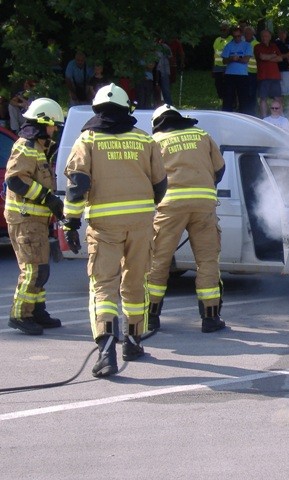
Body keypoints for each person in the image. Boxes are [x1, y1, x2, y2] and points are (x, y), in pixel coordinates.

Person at [63, 83, 167, 378]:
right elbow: (161, 185)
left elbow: (77, 185)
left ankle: (107, 352)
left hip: (104, 226)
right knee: (135, 283)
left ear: (97, 110)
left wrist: (69, 222)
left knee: (103, 287)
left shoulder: (88, 139)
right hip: (141, 224)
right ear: (126, 110)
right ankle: (133, 343)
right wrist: (146, 209)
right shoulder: (144, 140)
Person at [147, 105, 226, 333]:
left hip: (170, 206)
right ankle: (210, 318)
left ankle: (151, 317)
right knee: (207, 261)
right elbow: (219, 170)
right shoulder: (202, 136)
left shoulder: (156, 141)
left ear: (157, 123)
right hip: (203, 205)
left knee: (158, 261)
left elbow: (151, 176)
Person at [4, 98, 66, 335]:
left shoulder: (39, 148)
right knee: (33, 270)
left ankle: (37, 310)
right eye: (52, 126)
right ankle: (20, 314)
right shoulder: (26, 147)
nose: (55, 130)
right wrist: (47, 198)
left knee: (41, 268)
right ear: (42, 122)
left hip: (36, 221)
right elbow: (16, 180)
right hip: (25, 220)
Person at [221, 26, 253, 114]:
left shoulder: (247, 45)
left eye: (238, 36)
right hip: (230, 74)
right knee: (228, 98)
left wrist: (237, 59)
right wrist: (231, 59)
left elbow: (246, 60)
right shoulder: (229, 45)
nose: (237, 38)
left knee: (243, 98)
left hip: (242, 75)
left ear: (241, 35)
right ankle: (227, 115)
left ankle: (244, 116)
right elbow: (224, 61)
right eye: (235, 36)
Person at [254, 29, 283, 118]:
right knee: (263, 98)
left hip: (275, 76)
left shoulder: (274, 46)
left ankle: (280, 117)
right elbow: (262, 57)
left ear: (270, 37)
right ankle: (264, 118)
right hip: (263, 76)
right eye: (262, 36)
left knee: (278, 98)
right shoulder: (257, 46)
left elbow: (280, 59)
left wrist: (268, 57)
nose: (264, 38)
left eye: (266, 36)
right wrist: (273, 56)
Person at [212, 23, 232, 101]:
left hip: (228, 66)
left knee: (227, 85)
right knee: (218, 84)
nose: (223, 32)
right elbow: (214, 54)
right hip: (217, 67)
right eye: (221, 30)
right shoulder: (217, 40)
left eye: (224, 30)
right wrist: (213, 68)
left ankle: (229, 101)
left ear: (228, 30)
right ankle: (222, 99)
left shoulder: (231, 39)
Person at [244, 26, 260, 116]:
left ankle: (251, 113)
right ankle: (245, 112)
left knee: (252, 94)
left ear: (253, 34)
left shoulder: (256, 44)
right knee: (244, 93)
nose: (247, 35)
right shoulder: (242, 43)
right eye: (246, 33)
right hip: (243, 73)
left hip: (253, 72)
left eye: (249, 33)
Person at [155, 38, 173, 105]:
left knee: (166, 90)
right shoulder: (150, 47)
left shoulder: (165, 47)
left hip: (164, 71)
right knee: (156, 90)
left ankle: (169, 106)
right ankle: (156, 105)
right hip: (155, 71)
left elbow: (170, 57)